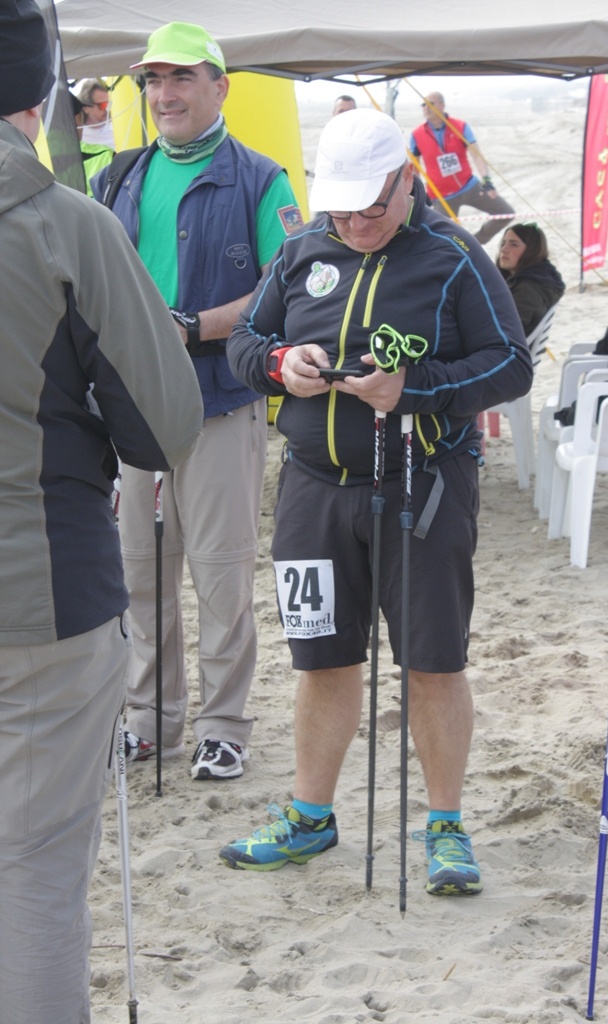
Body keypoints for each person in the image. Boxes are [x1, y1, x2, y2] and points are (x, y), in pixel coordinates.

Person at [220, 109, 533, 895]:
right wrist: (280, 364)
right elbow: (244, 343)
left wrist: (413, 388)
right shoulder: (302, 247)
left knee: (432, 660)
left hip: (420, 489)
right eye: (342, 209)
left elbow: (509, 364)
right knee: (320, 657)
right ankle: (309, 818)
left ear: (406, 180)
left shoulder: (452, 254)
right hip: (312, 490)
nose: (356, 224)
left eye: (372, 206)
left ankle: (445, 827)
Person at [0, 2, 204, 1021]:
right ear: (37, 94)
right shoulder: (65, 224)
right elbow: (163, 427)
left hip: (43, 590)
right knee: (34, 875)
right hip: (42, 596)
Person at [92, 21, 303, 782]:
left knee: (220, 575)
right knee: (140, 576)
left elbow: (284, 292)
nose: (164, 93)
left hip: (220, 401)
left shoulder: (262, 179)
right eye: (153, 80)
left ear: (220, 86)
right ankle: (151, 723)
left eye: (181, 77)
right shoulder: (116, 178)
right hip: (132, 410)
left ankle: (224, 726)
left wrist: (190, 327)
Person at [409, 91, 514, 245]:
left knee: (506, 213)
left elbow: (477, 155)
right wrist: (418, 193)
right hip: (441, 196)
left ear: (442, 105)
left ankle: (474, 243)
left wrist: (487, 180)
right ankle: (462, 250)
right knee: (440, 240)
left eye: (431, 103)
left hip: (469, 186)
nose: (426, 107)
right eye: (423, 104)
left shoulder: (460, 126)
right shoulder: (416, 135)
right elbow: (415, 168)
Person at [495, 222, 565, 336]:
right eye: (503, 243)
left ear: (531, 250)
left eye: (514, 244)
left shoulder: (528, 289)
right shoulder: (534, 280)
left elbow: (505, 329)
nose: (504, 249)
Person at [70, 78, 114, 195]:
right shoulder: (77, 134)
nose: (107, 109)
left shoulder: (117, 128)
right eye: (102, 105)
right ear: (86, 107)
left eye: (108, 104)